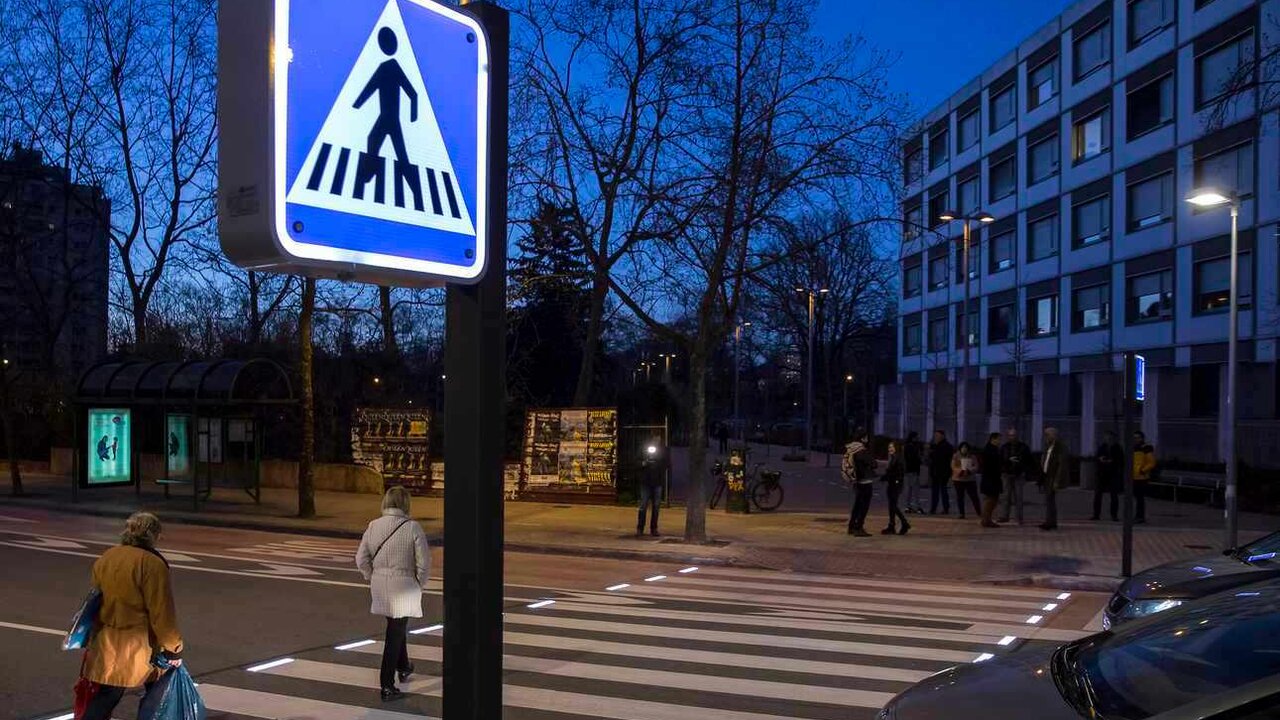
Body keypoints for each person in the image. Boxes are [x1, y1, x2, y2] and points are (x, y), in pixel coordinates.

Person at [79, 513, 184, 720]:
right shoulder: (152, 564)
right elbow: (161, 611)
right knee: (157, 691)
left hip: (107, 637)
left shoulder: (108, 557)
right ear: (153, 535)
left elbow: (96, 598)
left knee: (109, 692)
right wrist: (174, 648)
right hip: (139, 642)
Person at [356, 486, 431, 701]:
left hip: (380, 584)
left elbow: (361, 558)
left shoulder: (374, 525)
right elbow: (423, 563)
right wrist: (419, 583)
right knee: (394, 632)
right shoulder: (412, 527)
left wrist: (372, 576)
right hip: (404, 585)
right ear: (406, 503)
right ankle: (387, 684)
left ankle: (404, 665)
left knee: (396, 625)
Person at [843, 428, 876, 537]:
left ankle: (851, 526)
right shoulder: (861, 450)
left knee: (857, 505)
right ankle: (859, 527)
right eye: (866, 437)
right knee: (864, 506)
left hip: (856, 480)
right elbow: (873, 463)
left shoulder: (850, 449)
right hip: (865, 481)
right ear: (863, 438)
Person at [1040, 427, 1071, 531]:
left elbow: (1061, 465)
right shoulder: (1047, 445)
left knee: (1050, 500)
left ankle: (1050, 522)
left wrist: (1057, 481)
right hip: (1046, 476)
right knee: (1049, 500)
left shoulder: (1060, 447)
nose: (1046, 437)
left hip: (1053, 477)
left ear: (1054, 435)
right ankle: (1050, 521)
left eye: (1048, 434)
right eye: (1045, 435)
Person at [636, 439, 668, 536]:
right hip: (646, 481)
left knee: (656, 506)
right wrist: (644, 463)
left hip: (657, 481)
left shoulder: (663, 450)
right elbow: (637, 462)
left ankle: (654, 528)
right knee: (643, 505)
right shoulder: (643, 448)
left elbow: (666, 464)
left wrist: (658, 464)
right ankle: (640, 528)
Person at [998, 428, 1030, 524]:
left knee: (1019, 497)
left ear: (1017, 436)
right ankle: (1004, 516)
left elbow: (1028, 460)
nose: (1012, 437)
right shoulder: (1004, 447)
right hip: (1006, 474)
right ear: (1008, 436)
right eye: (1011, 435)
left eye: (1014, 435)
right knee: (1005, 497)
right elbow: (1000, 460)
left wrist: (1023, 469)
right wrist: (1008, 461)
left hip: (1018, 475)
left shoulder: (1023, 447)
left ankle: (1019, 518)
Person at [881, 440, 910, 535]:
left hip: (895, 484)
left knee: (893, 505)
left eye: (891, 447)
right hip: (892, 483)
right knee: (891, 505)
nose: (889, 449)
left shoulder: (898, 458)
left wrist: (887, 477)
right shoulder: (893, 458)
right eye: (889, 447)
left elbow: (898, 473)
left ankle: (904, 523)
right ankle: (891, 525)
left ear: (896, 448)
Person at [1092, 431, 1123, 521]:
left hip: (1113, 474)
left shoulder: (1117, 448)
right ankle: (1096, 514)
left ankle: (1114, 515)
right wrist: (1100, 460)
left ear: (1113, 438)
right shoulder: (1102, 447)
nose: (1108, 439)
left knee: (1114, 495)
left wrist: (1112, 462)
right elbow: (1096, 458)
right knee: (1098, 494)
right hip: (1102, 474)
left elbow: (1121, 460)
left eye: (1110, 437)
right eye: (1106, 437)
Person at [950, 442, 981, 519]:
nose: (964, 449)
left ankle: (979, 512)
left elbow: (976, 466)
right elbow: (953, 466)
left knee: (974, 496)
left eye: (966, 447)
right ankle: (961, 513)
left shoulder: (972, 456)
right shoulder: (956, 456)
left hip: (970, 479)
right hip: (958, 479)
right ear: (960, 448)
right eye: (963, 447)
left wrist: (970, 470)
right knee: (960, 497)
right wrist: (961, 471)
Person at [1133, 431, 1157, 524]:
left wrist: (1143, 470)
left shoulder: (1146, 448)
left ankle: (1140, 516)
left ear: (1142, 438)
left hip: (1142, 477)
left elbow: (1152, 462)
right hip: (1134, 477)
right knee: (1137, 498)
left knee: (1140, 498)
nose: (1136, 439)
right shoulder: (1134, 448)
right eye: (1135, 438)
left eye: (1138, 437)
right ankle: (1138, 516)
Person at [980, 432, 1003, 527]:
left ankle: (987, 519)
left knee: (993, 499)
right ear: (993, 439)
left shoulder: (993, 449)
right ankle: (986, 520)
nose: (1000, 441)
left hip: (993, 478)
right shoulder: (990, 450)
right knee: (990, 500)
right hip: (990, 479)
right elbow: (991, 465)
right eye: (999, 439)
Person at [927, 430, 953, 515]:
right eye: (935, 436)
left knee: (943, 490)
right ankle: (933, 508)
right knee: (935, 491)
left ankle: (945, 508)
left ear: (943, 436)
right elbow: (931, 458)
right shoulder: (935, 446)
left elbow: (944, 458)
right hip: (935, 472)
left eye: (938, 435)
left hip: (943, 472)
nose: (936, 437)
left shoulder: (947, 446)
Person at [902, 431, 924, 513]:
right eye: (916, 437)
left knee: (909, 489)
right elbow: (916, 458)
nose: (918, 438)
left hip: (909, 470)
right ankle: (916, 506)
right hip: (913, 470)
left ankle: (908, 506)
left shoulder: (907, 446)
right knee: (915, 490)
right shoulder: (914, 447)